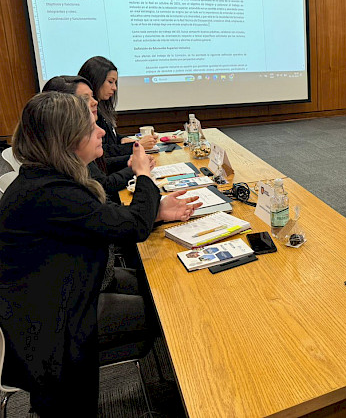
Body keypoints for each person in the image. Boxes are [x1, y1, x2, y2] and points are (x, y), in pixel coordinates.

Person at [0, 92, 201, 416]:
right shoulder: (53, 193)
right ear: (68, 140)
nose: (103, 133)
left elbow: (109, 220)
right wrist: (144, 175)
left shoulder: (46, 178)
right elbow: (131, 227)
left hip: (58, 293)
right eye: (92, 127)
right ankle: (189, 393)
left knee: (156, 286)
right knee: (169, 313)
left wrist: (157, 211)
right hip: (51, 331)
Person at [42, 75, 138, 203]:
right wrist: (137, 169)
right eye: (85, 99)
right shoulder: (69, 149)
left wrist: (132, 160)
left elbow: (102, 166)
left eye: (92, 96)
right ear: (64, 106)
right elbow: (104, 186)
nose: (95, 102)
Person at [78, 56, 158, 157]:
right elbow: (103, 152)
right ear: (96, 80)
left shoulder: (102, 107)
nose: (115, 88)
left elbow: (111, 138)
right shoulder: (86, 112)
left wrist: (122, 139)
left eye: (115, 82)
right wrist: (136, 146)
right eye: (110, 82)